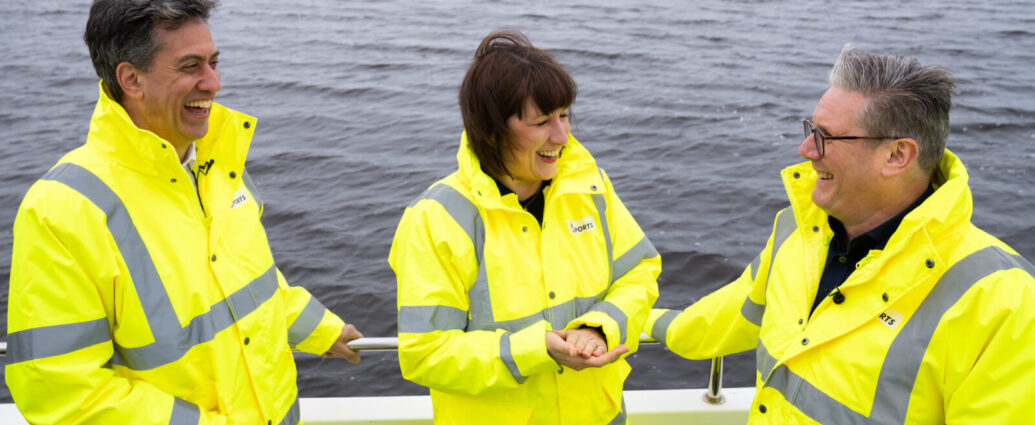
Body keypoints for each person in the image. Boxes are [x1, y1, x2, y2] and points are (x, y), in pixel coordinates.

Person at [5, 1, 364, 423]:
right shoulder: (63, 209)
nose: (213, 83)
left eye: (213, 62)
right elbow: (61, 393)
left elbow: (249, 286)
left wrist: (318, 328)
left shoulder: (218, 166)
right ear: (131, 79)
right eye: (190, 66)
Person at [647, 45, 1035, 423]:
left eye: (826, 137)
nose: (805, 149)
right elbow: (734, 313)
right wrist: (630, 321)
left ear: (897, 156)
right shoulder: (798, 231)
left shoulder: (1004, 301)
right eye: (811, 129)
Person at [388, 30, 660, 424]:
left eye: (564, 114)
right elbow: (426, 353)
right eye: (541, 121)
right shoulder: (436, 219)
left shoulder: (592, 188)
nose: (562, 136)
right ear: (492, 128)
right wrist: (537, 351)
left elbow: (640, 272)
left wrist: (599, 328)